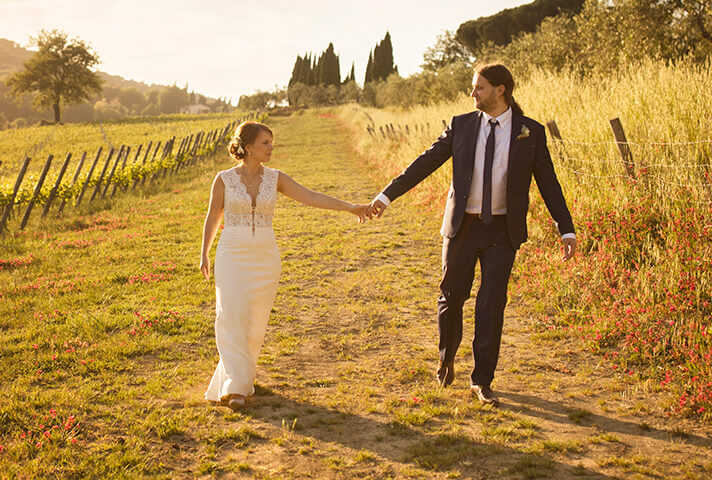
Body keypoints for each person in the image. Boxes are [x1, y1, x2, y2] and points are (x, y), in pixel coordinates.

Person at [368, 63, 576, 406]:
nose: (472, 93)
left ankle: (482, 379)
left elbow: (549, 183)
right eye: (473, 87)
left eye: (479, 87)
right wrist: (386, 196)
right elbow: (425, 162)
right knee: (451, 296)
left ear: (500, 90)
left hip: (502, 229)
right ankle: (446, 357)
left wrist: (565, 228)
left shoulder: (529, 131)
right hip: (462, 226)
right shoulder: (462, 126)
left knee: (492, 303)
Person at [200, 121, 370, 410]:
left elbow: (311, 196)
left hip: (265, 257)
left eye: (271, 142)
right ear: (248, 146)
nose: (271, 148)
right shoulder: (224, 179)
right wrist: (204, 253)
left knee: (254, 322)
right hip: (232, 254)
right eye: (265, 143)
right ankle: (237, 388)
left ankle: (238, 378)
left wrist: (350, 207)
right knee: (229, 315)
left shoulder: (275, 178)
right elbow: (213, 216)